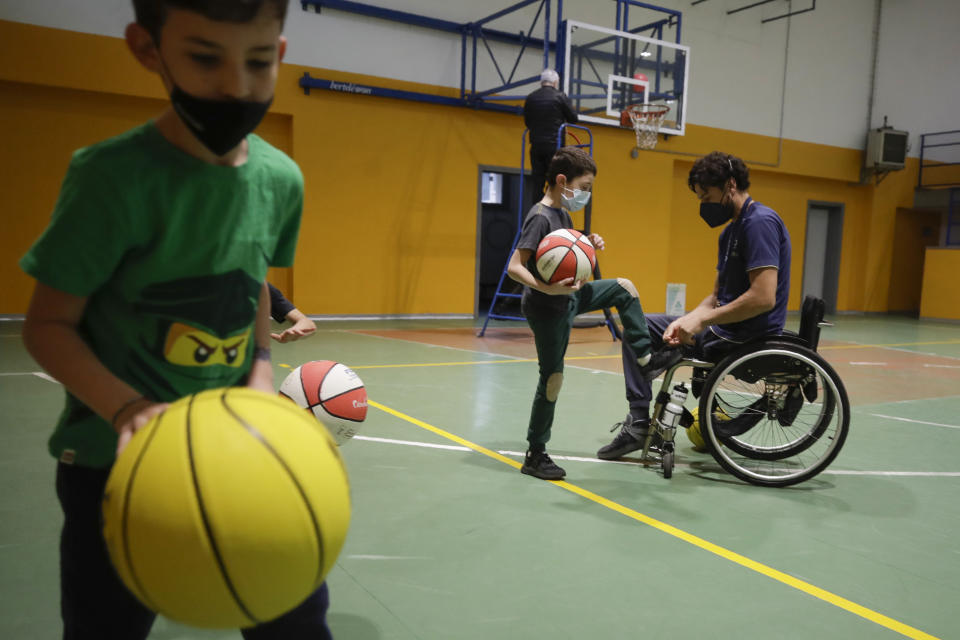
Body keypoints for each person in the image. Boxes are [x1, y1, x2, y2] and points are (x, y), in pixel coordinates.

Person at [19, 1, 333, 638]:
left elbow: (249, 296)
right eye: (204, 57)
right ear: (146, 48)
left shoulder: (281, 180)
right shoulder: (111, 178)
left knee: (293, 622)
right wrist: (128, 408)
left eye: (257, 59)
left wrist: (260, 378)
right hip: (112, 465)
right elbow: (46, 327)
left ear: (280, 50)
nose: (236, 86)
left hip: (239, 458)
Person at [598, 151, 792, 460]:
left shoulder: (760, 223)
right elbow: (716, 296)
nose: (704, 205)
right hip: (724, 325)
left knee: (653, 339)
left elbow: (763, 297)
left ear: (730, 185)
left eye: (707, 196)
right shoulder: (730, 231)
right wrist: (688, 319)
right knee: (639, 324)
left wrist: (701, 323)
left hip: (746, 333)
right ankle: (639, 417)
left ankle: (652, 377)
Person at [507, 146, 679, 480]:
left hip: (570, 297)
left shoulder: (562, 214)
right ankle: (535, 453)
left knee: (624, 289)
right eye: (584, 187)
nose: (586, 194)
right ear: (561, 181)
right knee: (552, 379)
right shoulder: (540, 216)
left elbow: (561, 253)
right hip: (547, 308)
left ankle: (647, 362)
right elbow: (516, 266)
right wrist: (545, 288)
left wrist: (587, 242)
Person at [523, 69, 579, 207]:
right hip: (554, 145)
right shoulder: (559, 96)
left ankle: (537, 208)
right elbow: (573, 118)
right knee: (555, 180)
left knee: (538, 179)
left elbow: (528, 122)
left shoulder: (531, 98)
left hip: (536, 144)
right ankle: (553, 207)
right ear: (555, 82)